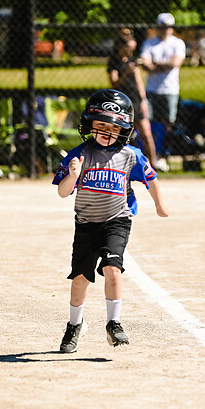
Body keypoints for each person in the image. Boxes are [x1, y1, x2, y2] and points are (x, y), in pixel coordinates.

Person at [52, 89, 168, 353]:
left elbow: (151, 179)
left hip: (117, 221)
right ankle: (74, 325)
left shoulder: (131, 155)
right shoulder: (80, 154)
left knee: (112, 268)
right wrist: (72, 175)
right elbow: (62, 192)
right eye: (100, 125)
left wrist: (160, 206)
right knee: (81, 277)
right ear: (88, 126)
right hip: (86, 224)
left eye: (113, 127)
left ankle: (113, 322)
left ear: (123, 130)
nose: (106, 131)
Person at [141, 13, 186, 172]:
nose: (166, 30)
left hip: (170, 90)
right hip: (151, 90)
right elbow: (145, 65)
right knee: (149, 124)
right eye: (162, 27)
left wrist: (155, 65)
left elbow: (175, 63)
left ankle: (164, 157)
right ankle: (151, 157)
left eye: (168, 27)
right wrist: (163, 65)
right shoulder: (149, 43)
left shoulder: (178, 43)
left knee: (169, 124)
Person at [107, 29, 157, 168]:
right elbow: (114, 84)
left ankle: (153, 163)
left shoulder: (132, 61)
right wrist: (126, 72)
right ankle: (118, 163)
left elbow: (139, 83)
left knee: (146, 133)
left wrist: (143, 100)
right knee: (121, 134)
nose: (129, 52)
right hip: (122, 103)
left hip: (136, 100)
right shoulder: (114, 63)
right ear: (120, 47)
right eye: (127, 48)